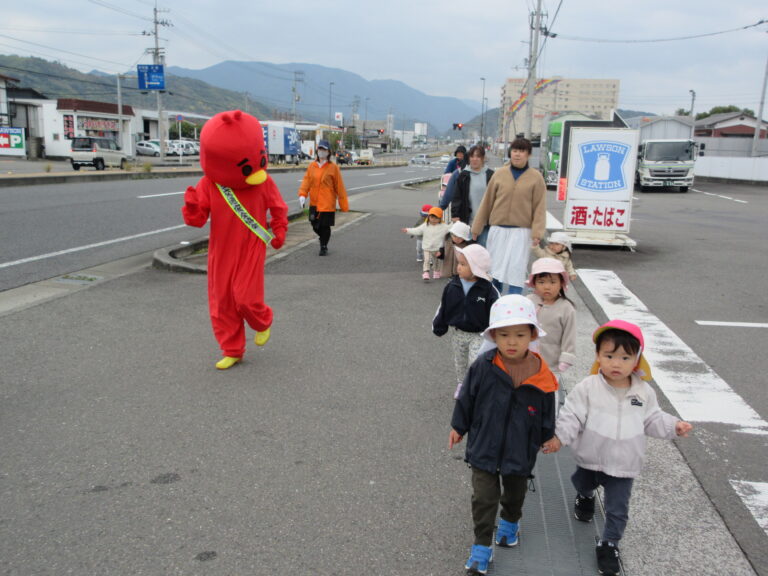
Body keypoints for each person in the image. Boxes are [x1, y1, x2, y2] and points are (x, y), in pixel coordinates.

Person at [542, 320, 693, 576]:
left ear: (637, 360)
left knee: (618, 509)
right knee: (582, 482)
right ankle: (586, 495)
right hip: (590, 457)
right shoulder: (588, 388)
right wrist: (559, 437)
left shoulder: (643, 392)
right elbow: (572, 416)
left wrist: (673, 426)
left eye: (625, 357)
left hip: (624, 465)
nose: (616, 363)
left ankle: (609, 543)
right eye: (609, 355)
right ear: (598, 356)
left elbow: (653, 419)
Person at [450, 295, 558, 575]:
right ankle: (481, 548)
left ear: (532, 335)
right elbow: (467, 399)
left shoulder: (541, 374)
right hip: (485, 446)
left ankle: (510, 522)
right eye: (504, 335)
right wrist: (458, 426)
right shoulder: (483, 366)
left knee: (514, 493)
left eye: (520, 335)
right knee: (483, 497)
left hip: (520, 450)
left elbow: (547, 410)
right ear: (494, 335)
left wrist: (549, 435)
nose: (512, 341)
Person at [182, 111, 288, 370]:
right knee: (223, 303)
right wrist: (192, 207)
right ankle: (232, 349)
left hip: (251, 246)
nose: (258, 170)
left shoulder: (264, 182)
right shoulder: (210, 184)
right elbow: (197, 219)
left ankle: (263, 320)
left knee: (245, 297)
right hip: (221, 250)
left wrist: (279, 230)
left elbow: (278, 207)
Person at [470, 138, 547, 295]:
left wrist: (537, 233)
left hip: (521, 232)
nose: (517, 155)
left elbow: (539, 207)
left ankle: (513, 307)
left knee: (516, 271)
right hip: (498, 229)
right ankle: (494, 301)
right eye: (515, 151)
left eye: (522, 151)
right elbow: (487, 202)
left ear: (528, 154)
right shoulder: (500, 174)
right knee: (494, 269)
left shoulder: (536, 177)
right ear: (510, 153)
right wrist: (477, 227)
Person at [432, 244, 499, 399]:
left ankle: (475, 386)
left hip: (480, 334)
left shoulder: (488, 290)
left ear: (476, 268)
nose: (458, 267)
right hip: (459, 332)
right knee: (460, 362)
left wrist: (497, 333)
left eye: (463, 264)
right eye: (459, 263)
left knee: (475, 361)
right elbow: (444, 307)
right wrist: (439, 326)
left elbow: (498, 311)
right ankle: (462, 384)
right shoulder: (452, 286)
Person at [298, 139, 349, 256]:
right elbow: (306, 181)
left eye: (324, 149)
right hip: (314, 202)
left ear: (328, 152)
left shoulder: (333, 168)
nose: (322, 151)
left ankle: (323, 246)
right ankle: (323, 239)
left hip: (327, 203)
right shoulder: (312, 166)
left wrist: (343, 205)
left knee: (325, 226)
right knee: (314, 224)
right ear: (317, 150)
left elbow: (339, 186)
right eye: (320, 149)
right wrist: (302, 194)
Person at [525, 258, 576, 375]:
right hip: (526, 360)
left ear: (561, 283)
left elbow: (570, 336)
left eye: (552, 282)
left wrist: (566, 358)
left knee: (548, 391)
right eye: (541, 282)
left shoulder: (566, 308)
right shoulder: (528, 302)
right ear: (534, 283)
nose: (547, 287)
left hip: (552, 364)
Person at [401, 206, 450, 282]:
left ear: (440, 218)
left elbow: (451, 228)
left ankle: (436, 271)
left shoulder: (443, 227)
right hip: (426, 247)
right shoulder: (425, 225)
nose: (433, 220)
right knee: (426, 260)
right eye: (431, 217)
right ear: (429, 217)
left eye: (436, 218)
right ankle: (426, 272)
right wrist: (407, 230)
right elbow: (417, 230)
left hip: (437, 248)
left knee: (436, 261)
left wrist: (456, 222)